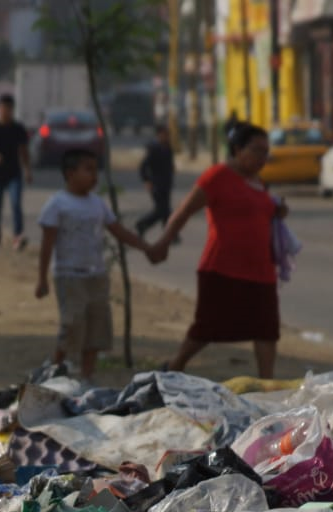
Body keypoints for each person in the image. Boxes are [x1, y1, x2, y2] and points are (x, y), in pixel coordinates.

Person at [151, 123, 288, 379]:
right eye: (257, 150)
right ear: (237, 149)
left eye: (266, 152)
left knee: (266, 330)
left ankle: (267, 384)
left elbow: (262, 216)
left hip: (261, 271)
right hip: (222, 268)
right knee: (207, 329)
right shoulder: (217, 177)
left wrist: (278, 211)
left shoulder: (260, 183)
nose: (263, 158)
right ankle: (174, 367)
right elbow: (184, 211)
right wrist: (164, 242)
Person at [36, 149, 153, 382]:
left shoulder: (97, 204)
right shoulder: (57, 204)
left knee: (96, 327)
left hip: (97, 275)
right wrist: (42, 279)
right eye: (87, 169)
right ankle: (53, 371)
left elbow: (118, 231)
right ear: (70, 173)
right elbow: (47, 244)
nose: (94, 175)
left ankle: (87, 377)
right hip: (70, 276)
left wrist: (148, 248)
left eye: (95, 169)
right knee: (72, 325)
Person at [0, 94, 31, 250]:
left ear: (12, 110)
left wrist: (28, 170)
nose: (5, 111)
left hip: (14, 173)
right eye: (2, 108)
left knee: (16, 204)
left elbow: (23, 151)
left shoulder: (18, 129)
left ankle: (18, 236)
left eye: (8, 109)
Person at [135, 125, 176, 240]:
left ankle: (169, 234)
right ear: (159, 135)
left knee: (165, 210)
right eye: (164, 134)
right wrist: (146, 180)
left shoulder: (167, 147)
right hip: (156, 184)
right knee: (162, 210)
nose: (167, 137)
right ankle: (142, 224)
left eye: (168, 134)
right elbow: (143, 167)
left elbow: (169, 163)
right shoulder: (154, 149)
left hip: (166, 184)